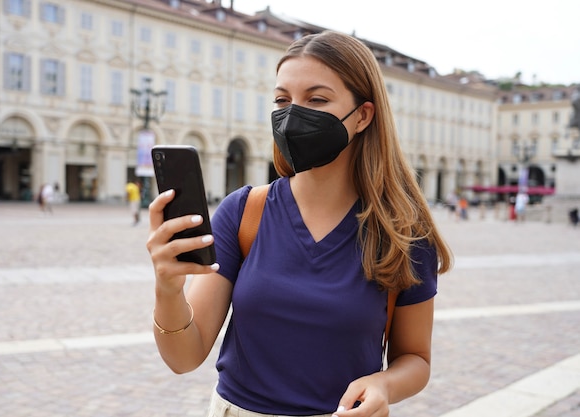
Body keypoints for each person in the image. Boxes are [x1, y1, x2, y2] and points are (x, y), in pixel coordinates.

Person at [147, 31, 452, 417]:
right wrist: (168, 289)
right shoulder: (243, 213)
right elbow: (183, 357)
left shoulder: (404, 232)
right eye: (282, 100)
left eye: (317, 99)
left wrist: (384, 384)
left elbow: (416, 359)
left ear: (363, 115)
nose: (292, 114)